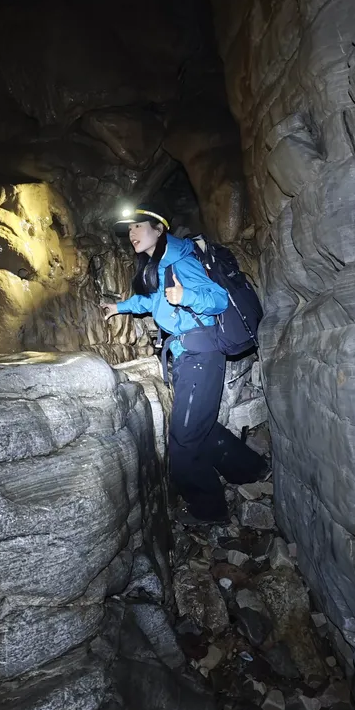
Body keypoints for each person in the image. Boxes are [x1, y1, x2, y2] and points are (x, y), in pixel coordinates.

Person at [100, 202, 266, 524]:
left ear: (159, 229)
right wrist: (119, 307)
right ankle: (251, 469)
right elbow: (152, 301)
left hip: (201, 356)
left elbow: (217, 298)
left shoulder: (181, 262)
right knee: (200, 426)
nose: (132, 233)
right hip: (188, 356)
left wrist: (185, 297)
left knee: (183, 442)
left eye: (138, 226)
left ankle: (210, 511)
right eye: (129, 228)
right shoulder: (162, 265)